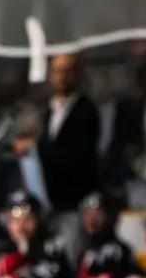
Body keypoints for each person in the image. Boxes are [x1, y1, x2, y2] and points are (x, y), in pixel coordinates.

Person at [40, 54, 102, 234]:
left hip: (74, 202)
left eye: (67, 71)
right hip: (49, 200)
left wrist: (37, 148)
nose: (62, 77)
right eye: (57, 72)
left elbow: (76, 153)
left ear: (77, 74)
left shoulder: (86, 111)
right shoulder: (49, 110)